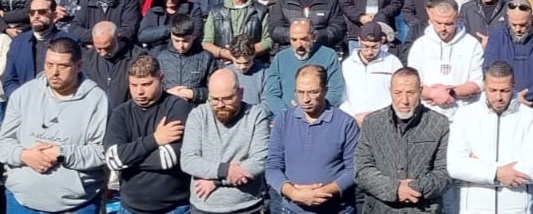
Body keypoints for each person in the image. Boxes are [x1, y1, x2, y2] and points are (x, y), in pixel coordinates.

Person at [0, 37, 109, 214]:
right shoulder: (24, 94)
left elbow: (102, 152)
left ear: (79, 66)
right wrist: (23, 155)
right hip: (21, 200)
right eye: (49, 64)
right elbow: (3, 142)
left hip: (76, 204)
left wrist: (62, 153)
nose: (54, 72)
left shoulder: (97, 100)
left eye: (63, 66)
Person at [446, 61, 533, 214]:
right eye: (492, 90)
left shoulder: (531, 117)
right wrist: (496, 173)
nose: (498, 97)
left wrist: (477, 168)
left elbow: (531, 169)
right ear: (484, 85)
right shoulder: (465, 115)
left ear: (513, 85)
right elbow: (455, 166)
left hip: (517, 209)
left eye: (504, 90)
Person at [354, 67, 452, 214]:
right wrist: (394, 189)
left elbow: (445, 173)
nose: (404, 100)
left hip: (423, 209)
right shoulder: (372, 123)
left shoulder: (439, 123)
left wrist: (414, 188)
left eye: (410, 93)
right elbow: (361, 169)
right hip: (381, 208)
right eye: (398, 93)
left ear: (420, 91)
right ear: (390, 91)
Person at [104, 54, 193, 214]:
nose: (139, 92)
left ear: (161, 78)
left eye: (146, 84)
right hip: (130, 207)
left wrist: (127, 156)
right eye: (134, 85)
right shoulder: (121, 113)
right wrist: (155, 139)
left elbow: (168, 159)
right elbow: (112, 160)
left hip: (174, 208)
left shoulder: (177, 108)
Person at [267, 65, 360, 214]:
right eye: (300, 92)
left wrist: (321, 193)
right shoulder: (284, 121)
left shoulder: (346, 123)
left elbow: (354, 170)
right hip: (292, 209)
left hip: (336, 210)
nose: (305, 99)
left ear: (325, 90)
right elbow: (273, 167)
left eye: (312, 92)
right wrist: (293, 193)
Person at [180, 68, 271, 214]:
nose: (221, 105)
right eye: (215, 99)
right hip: (204, 208)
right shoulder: (198, 115)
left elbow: (260, 161)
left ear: (240, 93)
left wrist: (217, 181)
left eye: (227, 98)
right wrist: (225, 170)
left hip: (247, 207)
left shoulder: (256, 115)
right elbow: (188, 160)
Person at [405, 0, 484, 119]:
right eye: (438, 23)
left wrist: (451, 93)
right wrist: (433, 93)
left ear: (457, 19)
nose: (443, 28)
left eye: (448, 24)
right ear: (431, 19)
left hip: (463, 114)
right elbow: (412, 83)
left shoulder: (472, 44)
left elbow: (478, 83)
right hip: (428, 115)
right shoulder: (420, 45)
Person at [482, 0, 533, 108]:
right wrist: (512, 96)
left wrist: (527, 95)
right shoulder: (497, 36)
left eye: (523, 25)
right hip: (504, 104)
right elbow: (489, 70)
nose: (518, 29)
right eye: (513, 24)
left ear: (532, 18)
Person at [264, 19, 344, 115]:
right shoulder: (280, 58)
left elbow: (336, 91)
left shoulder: (329, 56)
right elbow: (272, 94)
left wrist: (314, 109)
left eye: (303, 39)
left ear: (313, 36)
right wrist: (287, 113)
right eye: (294, 39)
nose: (299, 45)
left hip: (320, 114)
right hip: (287, 116)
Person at [2, 0, 74, 96]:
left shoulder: (71, 42)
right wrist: (23, 99)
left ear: (54, 15)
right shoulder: (18, 42)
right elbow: (8, 80)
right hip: (24, 105)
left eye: (42, 12)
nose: (36, 16)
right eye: (32, 12)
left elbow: (77, 79)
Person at [202, 0, 272, 63]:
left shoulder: (261, 11)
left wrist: (245, 53)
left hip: (253, 64)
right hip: (223, 65)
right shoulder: (215, 11)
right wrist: (226, 54)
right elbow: (206, 43)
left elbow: (268, 41)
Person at [339, 22, 402, 125]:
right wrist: (353, 116)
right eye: (365, 46)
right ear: (359, 41)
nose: (370, 52)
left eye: (375, 47)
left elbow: (398, 93)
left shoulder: (392, 62)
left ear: (382, 42)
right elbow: (342, 95)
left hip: (384, 121)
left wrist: (380, 115)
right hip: (354, 121)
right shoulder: (347, 65)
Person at [157, 13, 217, 105]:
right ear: (171, 36)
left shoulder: (206, 58)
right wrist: (168, 93)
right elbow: (152, 89)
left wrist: (193, 94)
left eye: (185, 41)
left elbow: (216, 92)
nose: (181, 45)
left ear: (193, 36)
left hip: (196, 111)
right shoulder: (161, 58)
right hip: (168, 110)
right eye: (176, 40)